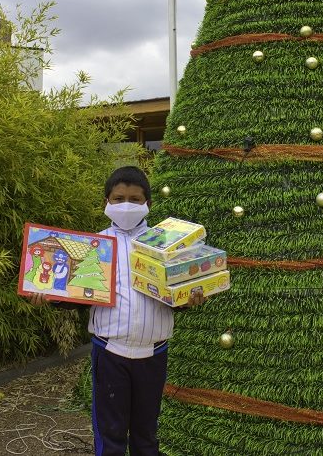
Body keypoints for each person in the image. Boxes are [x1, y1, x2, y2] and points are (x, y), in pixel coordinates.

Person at [29, 165, 205, 456]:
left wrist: (191, 296)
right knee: (110, 435)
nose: (126, 205)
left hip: (154, 352)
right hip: (110, 352)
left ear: (148, 203)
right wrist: (50, 296)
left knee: (146, 434)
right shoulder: (92, 247)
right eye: (118, 197)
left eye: (135, 199)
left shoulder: (168, 246)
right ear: (106, 203)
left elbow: (177, 293)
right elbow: (76, 293)